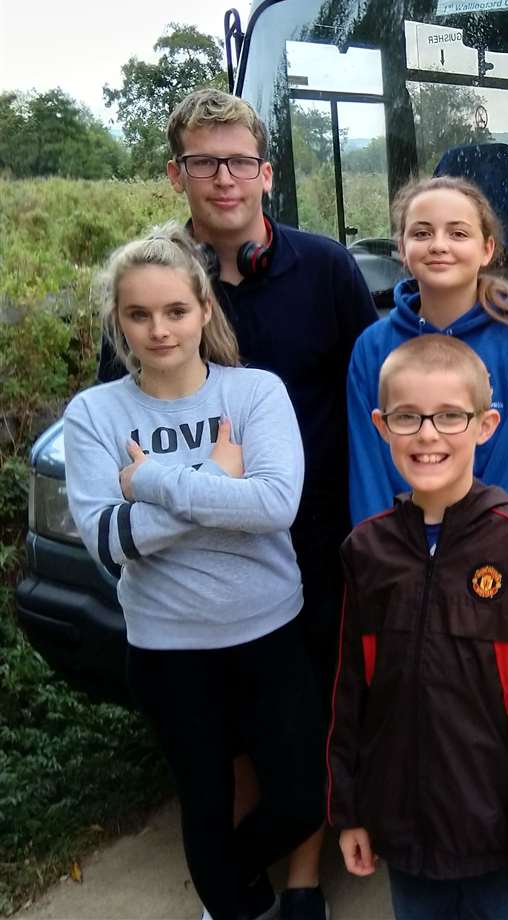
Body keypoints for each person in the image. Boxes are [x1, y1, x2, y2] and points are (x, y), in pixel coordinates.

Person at [98, 89, 378, 920]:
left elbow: (371, 391)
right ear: (176, 173)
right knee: (231, 738)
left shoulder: (325, 269)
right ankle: (241, 881)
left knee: (306, 726)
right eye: (203, 162)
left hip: (312, 543)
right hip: (186, 571)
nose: (224, 179)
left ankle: (299, 886)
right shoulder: (148, 288)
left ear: (265, 170)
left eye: (238, 161)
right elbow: (116, 428)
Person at [63, 225, 324, 920]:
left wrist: (155, 482)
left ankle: (231, 882)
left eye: (175, 311)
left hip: (269, 631)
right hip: (169, 649)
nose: (158, 329)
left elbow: (274, 504)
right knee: (206, 806)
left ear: (204, 310)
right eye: (138, 314)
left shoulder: (254, 393)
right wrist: (215, 480)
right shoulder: (94, 413)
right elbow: (113, 541)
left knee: (303, 797)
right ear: (117, 321)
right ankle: (237, 904)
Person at [328, 335, 508, 919]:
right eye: (407, 417)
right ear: (380, 424)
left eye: (449, 416)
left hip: (502, 847)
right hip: (408, 844)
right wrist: (350, 812)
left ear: (485, 425)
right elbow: (349, 694)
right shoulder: (367, 551)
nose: (427, 434)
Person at [346, 176, 508, 525]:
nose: (438, 245)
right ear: (402, 248)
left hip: (501, 556)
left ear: (487, 249)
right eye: (421, 233)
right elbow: (367, 473)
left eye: (458, 233)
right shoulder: (372, 348)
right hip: (400, 561)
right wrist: (383, 554)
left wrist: (463, 553)